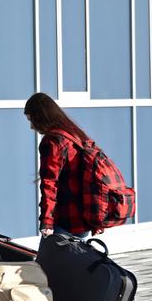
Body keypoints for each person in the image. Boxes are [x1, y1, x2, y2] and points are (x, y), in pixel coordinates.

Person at [23, 92, 100, 240]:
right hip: (83, 218)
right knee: (77, 261)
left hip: (65, 219)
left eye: (32, 120)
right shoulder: (76, 136)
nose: (32, 126)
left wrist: (46, 222)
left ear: (41, 117)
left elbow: (49, 184)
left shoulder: (52, 142)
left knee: (51, 262)